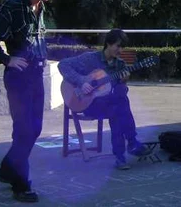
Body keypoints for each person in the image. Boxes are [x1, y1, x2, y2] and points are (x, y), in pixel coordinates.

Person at [0, 0, 55, 203]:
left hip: (36, 77)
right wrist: (7, 59)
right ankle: (21, 184)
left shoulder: (40, 7)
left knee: (35, 128)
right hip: (19, 78)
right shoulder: (12, 7)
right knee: (24, 130)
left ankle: (7, 169)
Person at [58, 29, 151, 170]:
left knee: (120, 103)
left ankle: (123, 153)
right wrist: (82, 81)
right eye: (118, 46)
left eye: (122, 47)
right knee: (120, 107)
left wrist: (123, 82)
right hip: (86, 104)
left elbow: (120, 92)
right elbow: (63, 64)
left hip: (109, 105)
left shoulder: (120, 65)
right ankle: (130, 145)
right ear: (108, 43)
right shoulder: (91, 59)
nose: (120, 50)